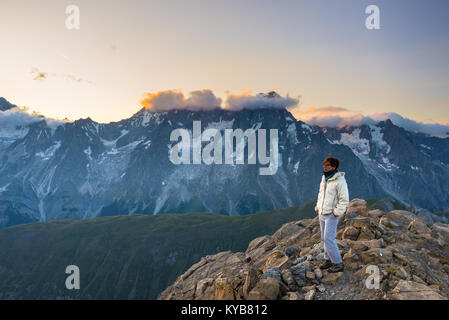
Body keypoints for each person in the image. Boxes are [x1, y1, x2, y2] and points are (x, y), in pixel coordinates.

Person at [314, 156, 349, 273]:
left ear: (334, 167)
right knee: (324, 238)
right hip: (322, 212)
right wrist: (318, 206)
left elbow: (344, 200)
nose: (324, 167)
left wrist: (336, 212)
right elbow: (321, 194)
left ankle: (338, 263)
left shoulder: (340, 181)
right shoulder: (324, 178)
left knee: (329, 238)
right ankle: (327, 259)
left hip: (331, 214)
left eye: (327, 165)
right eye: (324, 165)